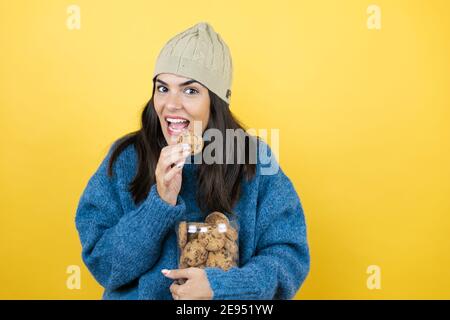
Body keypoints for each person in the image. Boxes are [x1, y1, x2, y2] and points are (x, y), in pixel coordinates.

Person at [75, 22, 310, 300]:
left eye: (190, 91)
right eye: (162, 89)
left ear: (216, 101)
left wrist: (222, 288)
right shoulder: (127, 158)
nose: (171, 104)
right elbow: (105, 266)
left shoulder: (254, 160)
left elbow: (289, 258)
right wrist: (159, 204)